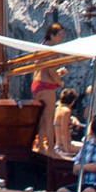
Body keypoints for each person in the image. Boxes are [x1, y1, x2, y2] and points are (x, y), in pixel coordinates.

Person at [32, 23, 68, 154]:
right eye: (60, 35)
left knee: (42, 119)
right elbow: (52, 72)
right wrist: (60, 82)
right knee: (49, 119)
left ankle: (41, 146)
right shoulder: (51, 50)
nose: (62, 38)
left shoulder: (41, 46)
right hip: (46, 87)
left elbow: (45, 70)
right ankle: (51, 150)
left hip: (37, 84)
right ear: (52, 35)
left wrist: (58, 74)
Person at [58, 118, 96, 192]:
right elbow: (75, 169)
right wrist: (87, 167)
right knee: (62, 191)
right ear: (93, 134)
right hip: (86, 183)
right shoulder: (87, 145)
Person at [53, 88, 83, 157]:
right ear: (73, 101)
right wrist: (67, 151)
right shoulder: (66, 111)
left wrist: (73, 119)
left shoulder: (58, 109)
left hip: (60, 144)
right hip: (63, 146)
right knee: (86, 148)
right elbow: (64, 132)